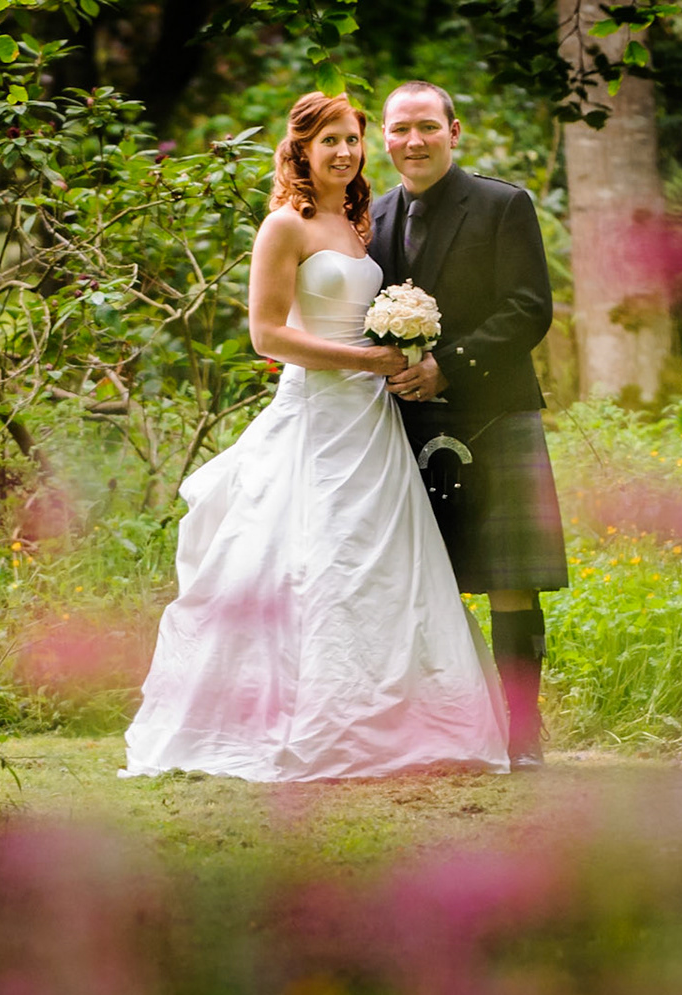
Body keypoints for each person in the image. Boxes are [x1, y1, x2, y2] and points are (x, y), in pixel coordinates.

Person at [121, 92, 509, 781]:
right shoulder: (285, 225)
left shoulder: (360, 224)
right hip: (317, 416)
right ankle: (292, 720)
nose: (344, 152)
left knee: (385, 564)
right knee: (312, 560)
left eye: (353, 139)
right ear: (300, 149)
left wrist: (405, 344)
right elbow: (266, 333)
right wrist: (366, 358)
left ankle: (397, 723)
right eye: (328, 140)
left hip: (374, 422)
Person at [368, 81, 568, 769]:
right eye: (400, 129)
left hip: (493, 409)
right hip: (405, 420)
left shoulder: (502, 203)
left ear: (455, 131)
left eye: (427, 126)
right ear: (385, 138)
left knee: (511, 579)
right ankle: (442, 729)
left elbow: (528, 308)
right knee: (420, 579)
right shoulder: (372, 214)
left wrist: (449, 366)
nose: (413, 141)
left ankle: (524, 732)